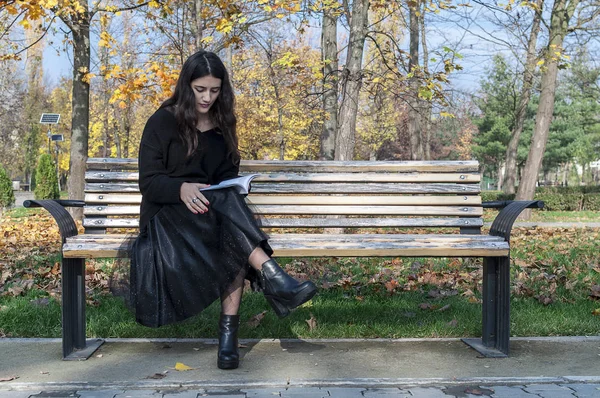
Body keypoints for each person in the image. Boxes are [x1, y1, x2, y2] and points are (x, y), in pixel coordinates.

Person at [130, 50, 317, 370]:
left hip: (210, 216)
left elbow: (226, 177)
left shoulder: (222, 124)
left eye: (214, 90)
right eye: (200, 89)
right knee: (233, 229)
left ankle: (231, 335)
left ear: (222, 89)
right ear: (186, 86)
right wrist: (181, 188)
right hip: (168, 221)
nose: (206, 97)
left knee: (230, 224)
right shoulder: (162, 121)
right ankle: (272, 277)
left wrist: (235, 184)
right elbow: (148, 183)